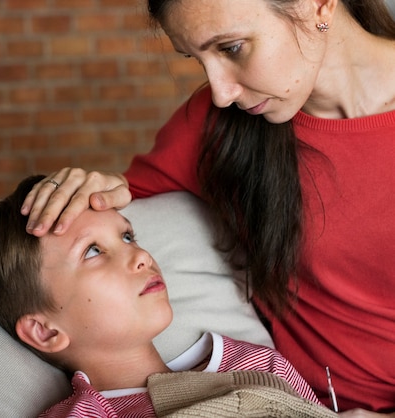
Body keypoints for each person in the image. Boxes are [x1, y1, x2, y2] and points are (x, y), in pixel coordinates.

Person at [20, 0, 395, 413]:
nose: (219, 92)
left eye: (231, 48)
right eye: (198, 60)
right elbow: (102, 215)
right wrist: (90, 188)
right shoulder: (219, 129)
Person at [0, 174, 338, 417]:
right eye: (93, 251)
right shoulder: (87, 415)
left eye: (127, 236)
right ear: (44, 331)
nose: (140, 256)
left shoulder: (255, 364)